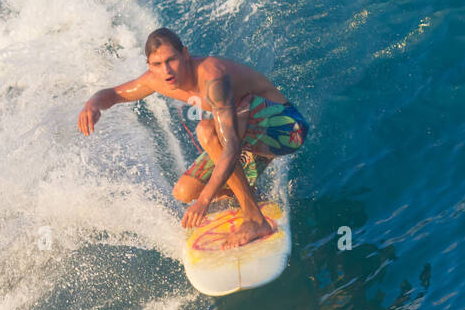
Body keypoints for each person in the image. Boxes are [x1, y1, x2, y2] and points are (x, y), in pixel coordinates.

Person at [77, 28, 309, 248]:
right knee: (185, 192)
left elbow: (230, 148)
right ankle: (248, 192)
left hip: (287, 129)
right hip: (247, 132)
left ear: (185, 54)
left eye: (172, 60)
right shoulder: (154, 80)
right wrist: (93, 104)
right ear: (149, 65)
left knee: (206, 132)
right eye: (157, 64)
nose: (166, 70)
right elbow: (115, 94)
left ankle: (255, 219)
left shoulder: (212, 77)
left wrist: (204, 201)